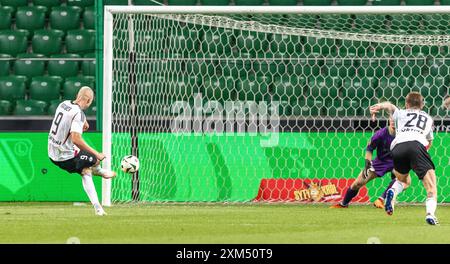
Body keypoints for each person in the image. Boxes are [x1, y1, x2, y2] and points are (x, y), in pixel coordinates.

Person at [370, 92, 438, 225]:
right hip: (417, 145)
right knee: (431, 188)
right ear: (422, 105)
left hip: (397, 147)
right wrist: (419, 155)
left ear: (407, 104)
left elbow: (389, 106)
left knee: (404, 181)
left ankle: (392, 191)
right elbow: (429, 142)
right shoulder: (428, 118)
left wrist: (378, 106)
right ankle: (430, 214)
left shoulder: (401, 113)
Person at [48, 86, 116, 216]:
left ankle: (99, 170)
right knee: (88, 167)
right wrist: (97, 153)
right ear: (89, 100)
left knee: (92, 161)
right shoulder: (78, 114)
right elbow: (76, 139)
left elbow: (71, 116)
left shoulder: (64, 104)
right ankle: (98, 208)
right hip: (64, 156)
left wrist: (83, 121)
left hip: (52, 151)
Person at [331, 118, 397, 209]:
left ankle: (381, 199)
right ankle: (344, 204)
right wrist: (367, 165)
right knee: (357, 184)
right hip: (380, 162)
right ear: (389, 120)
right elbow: (370, 149)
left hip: (397, 162)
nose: (394, 121)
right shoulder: (380, 134)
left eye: (396, 119)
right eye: (392, 119)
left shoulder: (404, 134)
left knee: (401, 179)